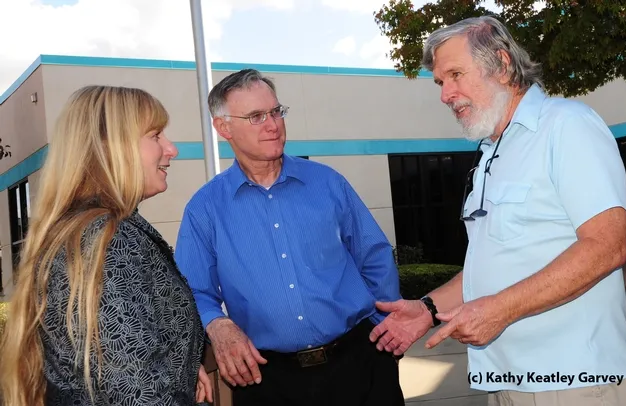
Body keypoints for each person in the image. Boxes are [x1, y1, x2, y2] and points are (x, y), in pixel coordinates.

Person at [368, 15, 626, 406]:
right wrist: (427, 309)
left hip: (575, 381)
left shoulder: (567, 125)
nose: (445, 94)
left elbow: (607, 245)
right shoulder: (490, 154)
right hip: (504, 380)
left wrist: (499, 310)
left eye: (455, 75)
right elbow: (492, 267)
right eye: (440, 83)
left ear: (500, 64)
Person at [174, 69, 404, 406]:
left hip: (360, 365)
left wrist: (386, 333)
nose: (273, 124)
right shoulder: (204, 208)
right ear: (223, 128)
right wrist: (218, 324)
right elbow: (193, 290)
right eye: (256, 116)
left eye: (276, 111)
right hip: (267, 381)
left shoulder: (328, 183)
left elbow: (375, 256)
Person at [0, 85, 212, 406]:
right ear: (109, 147)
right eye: (155, 136)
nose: (172, 149)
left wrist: (181, 365)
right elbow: (134, 393)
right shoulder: (105, 237)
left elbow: (118, 357)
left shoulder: (97, 228)